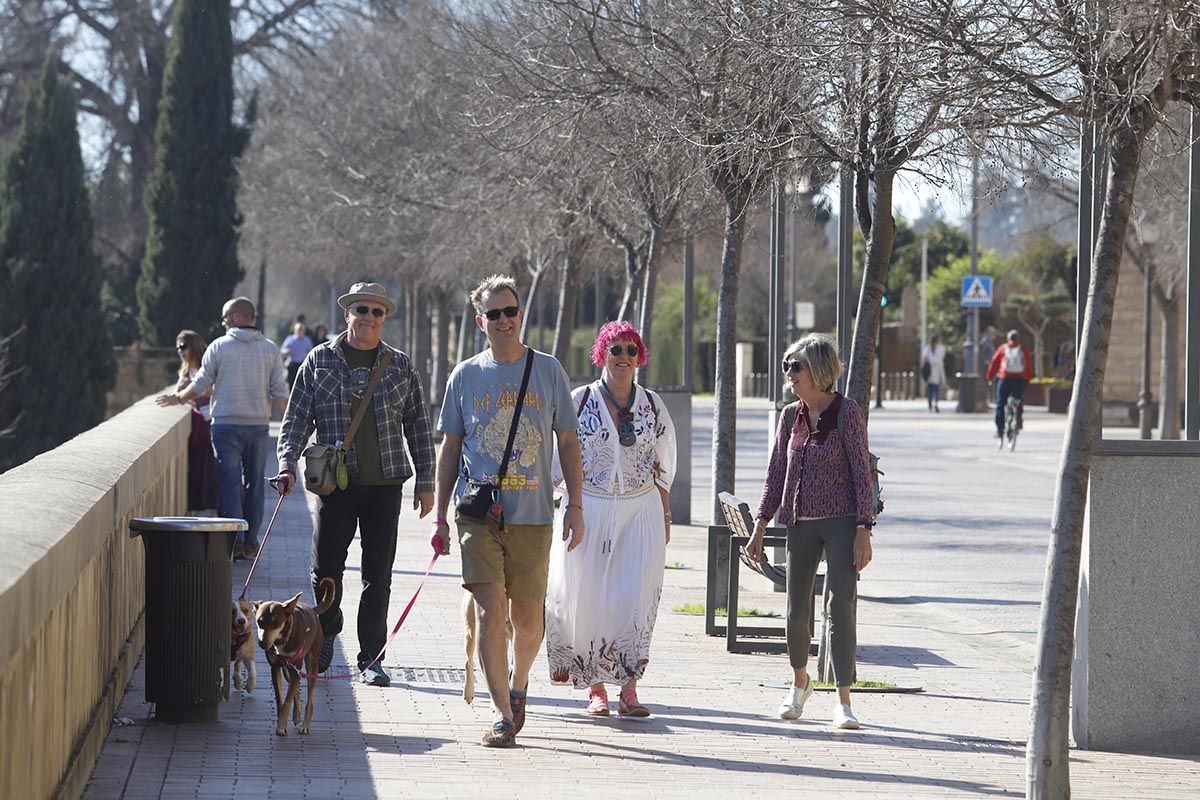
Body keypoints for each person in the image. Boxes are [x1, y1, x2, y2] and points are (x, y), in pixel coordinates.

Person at [433, 274, 584, 748]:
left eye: (510, 311)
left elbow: (568, 441)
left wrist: (575, 504)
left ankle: (519, 687)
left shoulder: (549, 371)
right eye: (493, 314)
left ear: (521, 315)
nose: (503, 320)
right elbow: (450, 447)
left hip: (534, 514)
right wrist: (439, 514)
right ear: (481, 321)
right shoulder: (465, 376)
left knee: (527, 619)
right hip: (478, 513)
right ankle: (502, 714)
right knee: (488, 608)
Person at [272, 282, 436, 687]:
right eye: (361, 310)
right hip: (334, 485)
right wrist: (287, 465)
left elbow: (418, 425)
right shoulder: (319, 360)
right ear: (348, 314)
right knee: (324, 567)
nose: (368, 317)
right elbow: (296, 420)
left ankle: (371, 657)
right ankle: (328, 628)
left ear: (385, 318)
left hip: (384, 484)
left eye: (377, 312)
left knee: (377, 575)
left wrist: (426, 482)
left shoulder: (399, 365)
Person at [544, 321, 676, 718]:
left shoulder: (652, 404)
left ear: (640, 358)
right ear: (601, 354)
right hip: (590, 507)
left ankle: (629, 689)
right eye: (615, 349)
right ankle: (595, 688)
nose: (623, 357)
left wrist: (665, 514)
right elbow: (557, 460)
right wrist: (569, 506)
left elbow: (665, 464)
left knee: (634, 596)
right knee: (588, 597)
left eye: (631, 350)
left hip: (641, 510)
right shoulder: (580, 400)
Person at [747, 333, 876, 730]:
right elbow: (775, 474)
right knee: (795, 610)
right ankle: (800, 682)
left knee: (840, 606)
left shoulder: (847, 412)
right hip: (798, 521)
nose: (789, 373)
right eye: (786, 366)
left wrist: (863, 529)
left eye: (796, 366)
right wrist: (760, 525)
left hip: (840, 522)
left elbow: (861, 473)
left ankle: (843, 700)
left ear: (819, 370)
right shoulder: (790, 416)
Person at [157, 297, 288, 560]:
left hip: (225, 425)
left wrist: (179, 398)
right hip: (258, 427)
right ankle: (251, 541)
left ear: (239, 317)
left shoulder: (219, 346)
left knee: (229, 483)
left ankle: (235, 539)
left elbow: (202, 383)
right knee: (255, 484)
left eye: (226, 318)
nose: (224, 323)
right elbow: (280, 392)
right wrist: (291, 425)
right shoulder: (271, 350)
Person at [174, 330, 218, 513]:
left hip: (210, 422)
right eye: (177, 347)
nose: (180, 351)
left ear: (194, 346)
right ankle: (198, 503)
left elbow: (214, 390)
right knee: (197, 465)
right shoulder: (184, 371)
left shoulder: (206, 368)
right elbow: (178, 393)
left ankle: (212, 503)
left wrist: (193, 391)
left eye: (183, 346)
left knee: (213, 466)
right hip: (196, 423)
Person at [986, 329, 1034, 437]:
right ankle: (1018, 420)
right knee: (1018, 399)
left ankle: (999, 429)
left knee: (1000, 403)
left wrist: (989, 377)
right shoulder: (1023, 349)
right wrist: (1027, 379)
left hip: (1005, 378)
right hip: (1020, 379)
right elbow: (1028, 365)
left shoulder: (1003, 348)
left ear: (1008, 339)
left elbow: (994, 363)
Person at [280, 321, 314, 389]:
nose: (300, 331)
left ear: (304, 330)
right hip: (292, 365)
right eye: (298, 329)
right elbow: (282, 350)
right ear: (295, 330)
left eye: (301, 329)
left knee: (302, 385)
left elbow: (312, 352)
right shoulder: (290, 339)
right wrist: (287, 351)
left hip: (303, 365)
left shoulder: (307, 340)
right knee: (291, 385)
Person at [920, 334, 947, 412]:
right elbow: (942, 358)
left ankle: (930, 404)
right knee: (936, 388)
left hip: (930, 370)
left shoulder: (927, 349)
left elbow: (924, 359)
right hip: (937, 369)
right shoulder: (941, 348)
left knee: (930, 388)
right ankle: (936, 403)